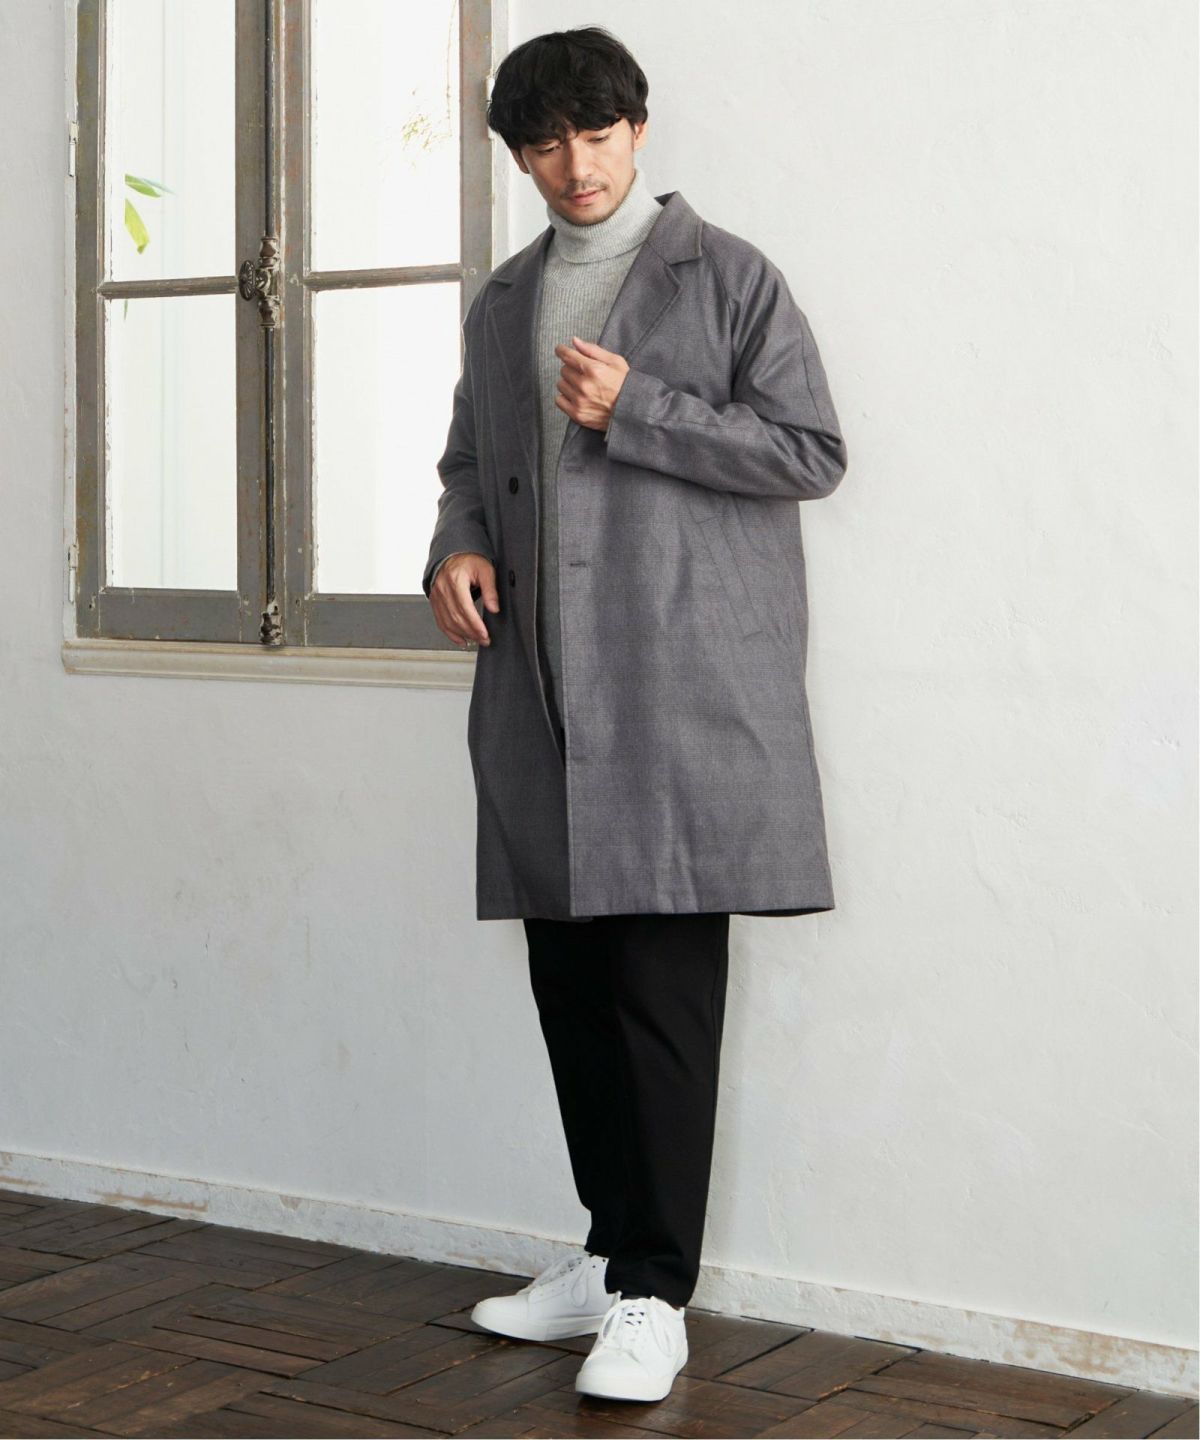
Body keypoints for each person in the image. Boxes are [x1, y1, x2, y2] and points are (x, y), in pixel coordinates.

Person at [423, 26, 848, 1405]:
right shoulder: (503, 300)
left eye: (596, 135)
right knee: (574, 999)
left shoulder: (730, 277)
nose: (576, 165)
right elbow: (470, 458)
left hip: (676, 696)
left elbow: (811, 451)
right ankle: (610, 1258)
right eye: (546, 144)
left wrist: (642, 408)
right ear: (521, 156)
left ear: (639, 130)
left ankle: (659, 1295)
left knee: (662, 1002)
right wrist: (457, 542)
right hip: (542, 693)